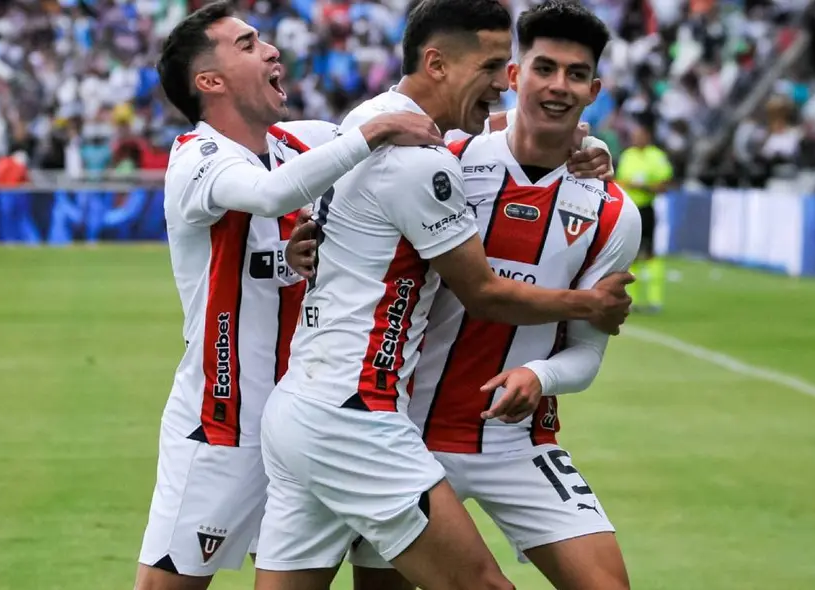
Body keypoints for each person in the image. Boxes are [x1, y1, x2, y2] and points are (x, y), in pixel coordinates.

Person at [253, 0, 635, 589]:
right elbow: (481, 292)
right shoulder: (437, 159)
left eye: (577, 75)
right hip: (368, 418)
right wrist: (590, 304)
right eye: (496, 69)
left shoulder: (375, 120)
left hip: (316, 409)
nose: (499, 87)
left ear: (593, 90)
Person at [134, 3, 447, 589]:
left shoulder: (298, 141)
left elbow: (411, 120)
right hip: (224, 420)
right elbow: (274, 194)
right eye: (248, 44)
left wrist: (548, 138)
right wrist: (373, 132)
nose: (271, 50)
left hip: (310, 414)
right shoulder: (197, 159)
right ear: (211, 81)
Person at [615, 120, 673, 313]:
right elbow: (619, 181)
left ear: (648, 137)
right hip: (629, 211)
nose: (637, 139)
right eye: (635, 136)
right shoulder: (627, 156)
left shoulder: (657, 157)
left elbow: (665, 185)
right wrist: (627, 184)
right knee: (632, 255)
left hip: (647, 208)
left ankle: (655, 300)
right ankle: (633, 300)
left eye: (640, 135)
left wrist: (645, 187)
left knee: (650, 254)